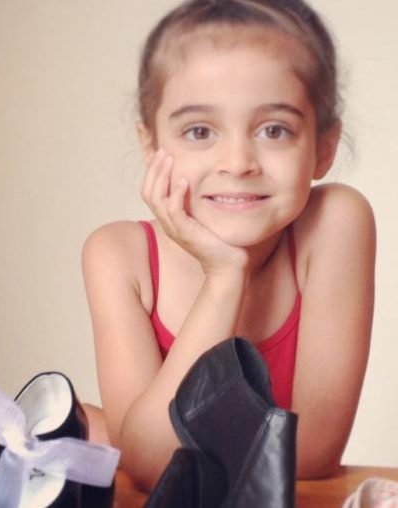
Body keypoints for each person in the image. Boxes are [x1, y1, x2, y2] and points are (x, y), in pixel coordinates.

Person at [80, 0, 376, 492]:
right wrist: (224, 277)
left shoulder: (335, 222)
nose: (237, 162)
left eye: (274, 130)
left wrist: (132, 438)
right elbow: (151, 467)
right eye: (199, 131)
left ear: (323, 146)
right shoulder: (118, 256)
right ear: (151, 147)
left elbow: (314, 454)